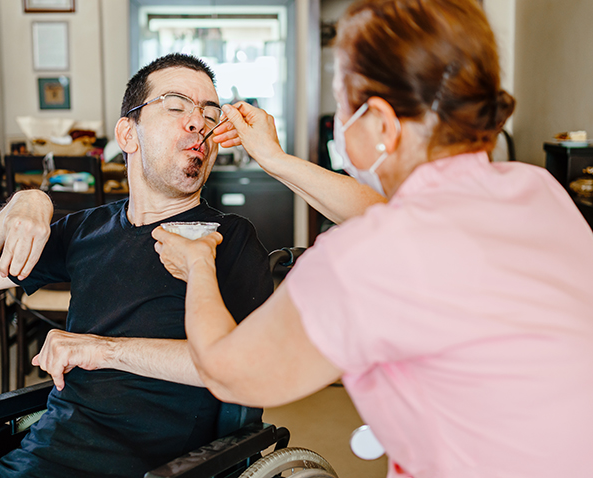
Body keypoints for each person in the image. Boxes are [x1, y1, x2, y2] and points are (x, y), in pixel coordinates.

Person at [151, 1, 593, 477]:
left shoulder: (370, 258)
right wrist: (273, 158)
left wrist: (198, 263)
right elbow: (396, 220)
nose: (340, 120)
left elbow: (226, 371)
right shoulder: (536, 190)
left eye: (344, 104)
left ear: (381, 123)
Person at [0, 53, 273, 478]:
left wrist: (101, 350)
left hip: (162, 467)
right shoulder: (85, 230)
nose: (198, 123)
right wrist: (24, 202)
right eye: (176, 106)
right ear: (127, 134)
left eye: (209, 114)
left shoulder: (230, 238)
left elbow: (248, 372)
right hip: (46, 454)